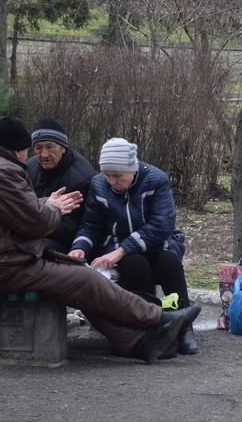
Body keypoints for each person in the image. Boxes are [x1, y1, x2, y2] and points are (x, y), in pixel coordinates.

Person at [0, 116, 200, 364]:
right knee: (84, 278)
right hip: (1, 264)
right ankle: (158, 319)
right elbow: (37, 223)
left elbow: (12, 213)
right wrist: (54, 209)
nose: (36, 156)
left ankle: (140, 342)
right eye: (33, 149)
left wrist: (46, 204)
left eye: (48, 148)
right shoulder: (2, 171)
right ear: (18, 151)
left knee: (84, 277)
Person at [69, 138, 199, 356]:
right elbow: (92, 225)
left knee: (169, 261)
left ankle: (184, 327)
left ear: (133, 168)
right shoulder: (98, 184)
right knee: (135, 264)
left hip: (159, 244)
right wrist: (80, 247)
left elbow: (161, 224)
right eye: (107, 175)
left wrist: (122, 249)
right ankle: (148, 329)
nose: (111, 182)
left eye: (118, 176)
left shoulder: (155, 180)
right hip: (118, 246)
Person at [26, 117, 96, 252]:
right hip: (34, 231)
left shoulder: (82, 178)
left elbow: (70, 231)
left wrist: (30, 221)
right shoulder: (29, 167)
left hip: (66, 245)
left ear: (63, 147)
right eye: (38, 148)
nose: (44, 154)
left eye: (50, 147)